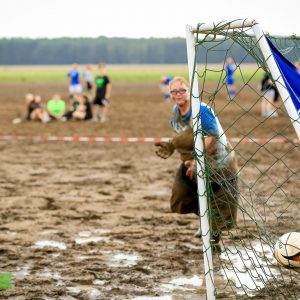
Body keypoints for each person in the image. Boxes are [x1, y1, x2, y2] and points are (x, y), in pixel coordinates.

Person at [154, 76, 239, 251]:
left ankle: (214, 241)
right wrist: (171, 145)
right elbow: (182, 135)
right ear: (170, 94)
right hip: (193, 162)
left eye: (182, 90)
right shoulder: (176, 113)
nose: (178, 94)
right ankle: (205, 220)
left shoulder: (201, 110)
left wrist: (197, 162)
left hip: (218, 164)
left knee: (218, 202)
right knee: (181, 197)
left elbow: (211, 139)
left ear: (189, 91)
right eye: (174, 91)